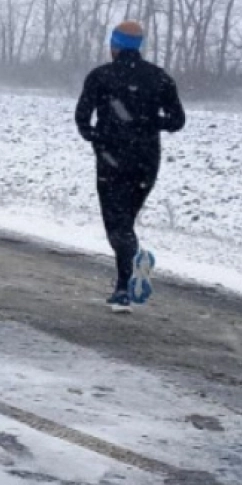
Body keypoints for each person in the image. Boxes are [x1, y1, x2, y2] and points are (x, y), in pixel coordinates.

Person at [75, 18, 185, 312]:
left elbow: (82, 120)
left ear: (114, 45)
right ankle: (130, 274)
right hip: (146, 161)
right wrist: (149, 123)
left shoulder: (100, 76)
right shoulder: (160, 78)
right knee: (127, 221)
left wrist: (99, 137)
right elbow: (177, 121)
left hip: (111, 159)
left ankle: (126, 285)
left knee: (117, 224)